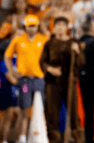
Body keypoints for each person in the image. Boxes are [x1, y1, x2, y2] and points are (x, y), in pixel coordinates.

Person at [4, 14, 49, 143]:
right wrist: (11, 71)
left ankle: (41, 136)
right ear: (25, 26)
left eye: (34, 26)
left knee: (41, 108)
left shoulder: (44, 39)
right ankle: (22, 138)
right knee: (24, 110)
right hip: (24, 80)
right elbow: (7, 56)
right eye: (29, 26)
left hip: (39, 79)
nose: (31, 28)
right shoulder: (18, 40)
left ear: (37, 26)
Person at [39, 17, 84, 143]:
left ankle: (77, 138)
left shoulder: (73, 42)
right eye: (57, 25)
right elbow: (42, 61)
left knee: (73, 113)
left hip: (69, 81)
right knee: (52, 113)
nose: (60, 27)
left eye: (62, 25)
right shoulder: (49, 44)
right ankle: (53, 139)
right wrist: (50, 69)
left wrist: (77, 51)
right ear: (53, 28)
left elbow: (81, 62)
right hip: (53, 83)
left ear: (66, 27)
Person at [0, 29, 24, 143]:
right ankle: (3, 140)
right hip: (7, 89)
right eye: (18, 35)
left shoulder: (23, 55)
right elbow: (10, 77)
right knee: (7, 116)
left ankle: (19, 139)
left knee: (22, 114)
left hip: (20, 90)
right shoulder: (6, 55)